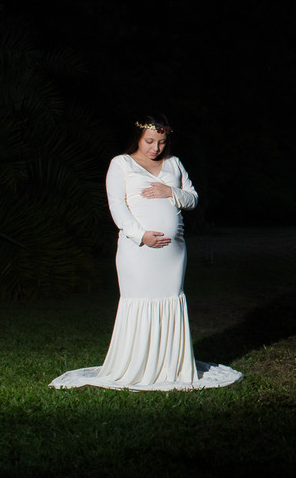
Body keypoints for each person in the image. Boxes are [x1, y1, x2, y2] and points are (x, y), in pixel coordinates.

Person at [51, 115, 242, 391]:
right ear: (138, 138)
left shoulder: (174, 163)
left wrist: (169, 191)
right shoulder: (121, 164)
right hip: (137, 250)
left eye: (162, 142)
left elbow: (193, 199)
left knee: (170, 300)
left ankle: (170, 366)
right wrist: (141, 236)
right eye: (150, 141)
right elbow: (117, 206)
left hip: (173, 254)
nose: (156, 148)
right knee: (139, 303)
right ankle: (138, 366)